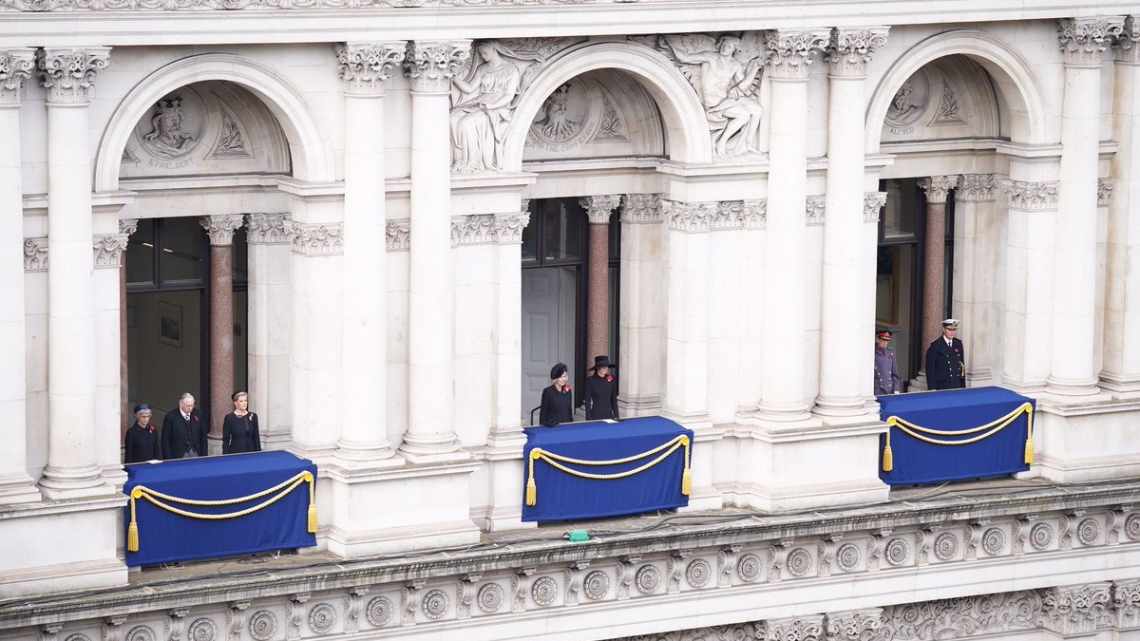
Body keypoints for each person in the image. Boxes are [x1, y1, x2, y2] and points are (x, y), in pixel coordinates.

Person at [161, 392, 207, 459]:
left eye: (192, 405)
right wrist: (168, 459)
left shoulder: (198, 414)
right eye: (188, 406)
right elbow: (165, 440)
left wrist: (204, 456)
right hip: (178, 454)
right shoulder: (171, 417)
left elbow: (203, 437)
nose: (190, 408)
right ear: (181, 404)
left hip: (196, 452)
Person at [925, 319, 966, 390]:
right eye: (949, 330)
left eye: (954, 330)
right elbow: (930, 371)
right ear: (944, 329)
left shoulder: (958, 344)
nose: (952, 332)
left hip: (956, 385)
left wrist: (963, 386)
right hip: (942, 386)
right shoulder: (935, 346)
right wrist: (932, 389)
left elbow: (962, 366)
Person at [583, 355, 619, 420]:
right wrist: (588, 418)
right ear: (597, 368)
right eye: (603, 366)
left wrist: (616, 415)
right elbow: (587, 401)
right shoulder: (590, 381)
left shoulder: (611, 379)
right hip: (596, 415)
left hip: (609, 415)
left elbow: (613, 399)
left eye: (607, 366)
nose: (606, 368)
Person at [539, 362, 574, 427]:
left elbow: (569, 411)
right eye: (561, 377)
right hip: (552, 428)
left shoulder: (568, 390)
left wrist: (571, 425)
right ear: (555, 378)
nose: (564, 379)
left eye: (565, 376)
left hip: (566, 427)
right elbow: (543, 415)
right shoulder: (548, 391)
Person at [874, 330, 902, 396]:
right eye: (883, 340)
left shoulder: (891, 353)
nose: (885, 343)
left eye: (887, 341)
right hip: (877, 390)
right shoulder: (872, 352)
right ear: (877, 339)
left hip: (890, 390)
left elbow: (895, 374)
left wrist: (896, 389)